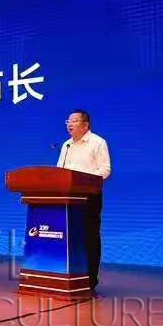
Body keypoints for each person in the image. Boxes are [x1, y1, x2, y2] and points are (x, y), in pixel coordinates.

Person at [56, 110, 112, 289]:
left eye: (74, 121)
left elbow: (105, 170)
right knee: (69, 236)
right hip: (68, 198)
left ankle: (90, 279)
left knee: (89, 236)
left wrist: (85, 181)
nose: (69, 124)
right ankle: (70, 276)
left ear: (86, 125)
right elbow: (59, 171)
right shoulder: (67, 145)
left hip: (89, 196)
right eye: (68, 121)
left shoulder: (97, 142)